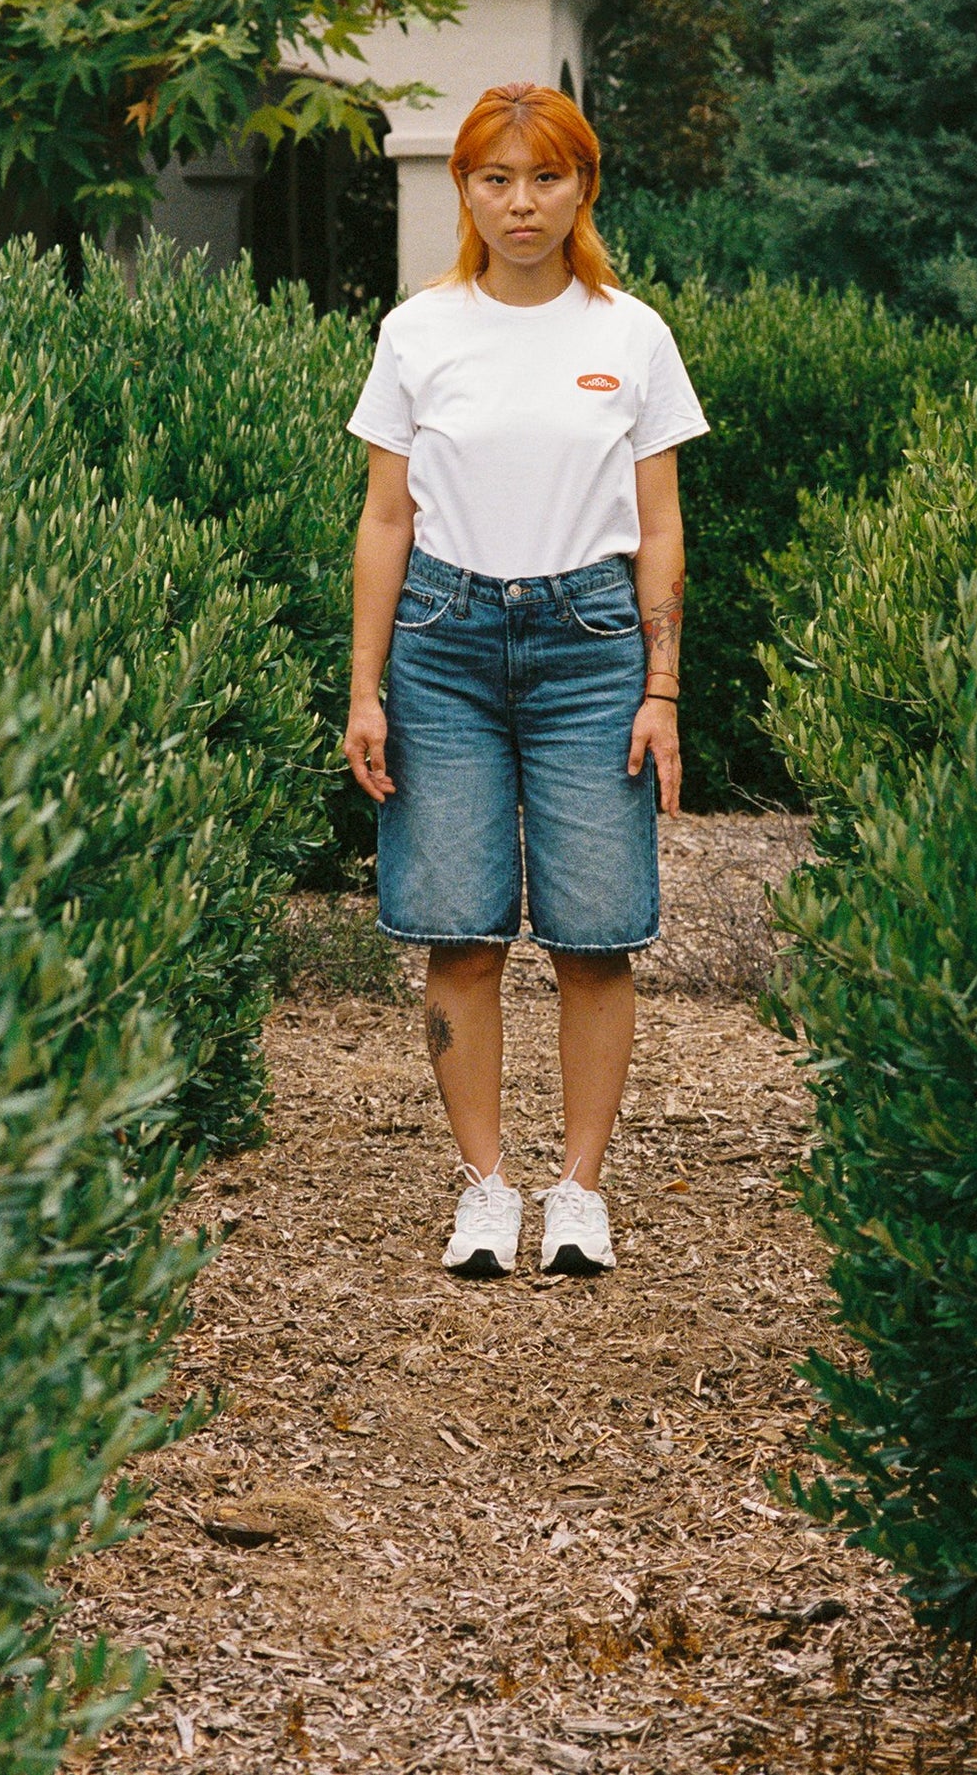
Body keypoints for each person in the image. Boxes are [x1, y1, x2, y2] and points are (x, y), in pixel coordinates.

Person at [342, 81, 708, 1278]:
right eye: (494, 178)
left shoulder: (629, 334)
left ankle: (580, 1192)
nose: (519, 202)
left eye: (544, 177)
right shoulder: (417, 331)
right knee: (460, 932)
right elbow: (385, 517)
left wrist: (659, 689)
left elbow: (658, 527)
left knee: (596, 934)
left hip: (590, 646)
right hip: (440, 645)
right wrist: (365, 687)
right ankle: (487, 1188)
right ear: (464, 189)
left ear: (581, 187)